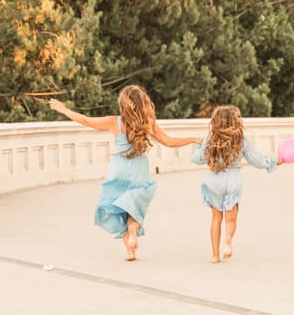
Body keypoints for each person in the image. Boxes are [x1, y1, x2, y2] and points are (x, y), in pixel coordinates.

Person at [49, 85, 202, 261]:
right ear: (143, 103)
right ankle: (132, 230)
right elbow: (169, 142)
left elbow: (86, 120)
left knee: (115, 207)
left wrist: (64, 109)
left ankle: (130, 250)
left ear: (123, 104)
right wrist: (193, 138)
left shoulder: (115, 122)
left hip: (119, 168)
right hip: (138, 168)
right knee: (135, 208)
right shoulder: (148, 124)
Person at [191, 105, 282, 263]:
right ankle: (228, 241)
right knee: (231, 219)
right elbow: (257, 160)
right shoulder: (241, 140)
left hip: (214, 179)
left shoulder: (210, 139)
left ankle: (215, 255)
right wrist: (273, 162)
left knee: (216, 218)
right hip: (233, 179)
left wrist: (199, 147)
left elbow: (197, 159)